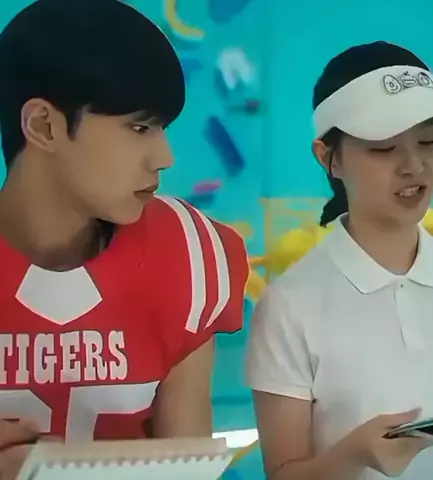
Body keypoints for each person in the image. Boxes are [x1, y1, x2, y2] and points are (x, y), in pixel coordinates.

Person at [0, 0, 248, 477]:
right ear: (44, 126)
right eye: (139, 127)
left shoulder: (188, 253)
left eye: (161, 128)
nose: (164, 156)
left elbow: (186, 468)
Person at [245, 41, 433, 480]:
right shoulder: (289, 306)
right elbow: (283, 474)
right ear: (328, 158)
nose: (414, 166)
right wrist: (353, 454)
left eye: (429, 141)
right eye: (385, 148)